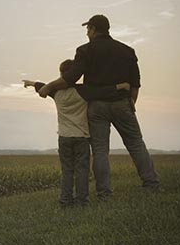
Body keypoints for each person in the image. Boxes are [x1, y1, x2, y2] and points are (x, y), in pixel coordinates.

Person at [38, 14, 161, 199]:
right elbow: (135, 83)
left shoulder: (85, 50)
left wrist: (48, 86)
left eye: (88, 29)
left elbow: (71, 78)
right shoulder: (127, 51)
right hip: (122, 103)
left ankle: (104, 193)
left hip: (97, 107)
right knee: (136, 143)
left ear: (94, 29)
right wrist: (131, 103)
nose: (87, 33)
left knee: (100, 150)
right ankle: (151, 184)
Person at [23, 59, 130, 206]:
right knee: (82, 171)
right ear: (76, 75)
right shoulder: (83, 91)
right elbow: (103, 91)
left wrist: (30, 83)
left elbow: (42, 86)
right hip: (82, 137)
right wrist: (121, 86)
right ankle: (81, 201)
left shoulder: (55, 92)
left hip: (64, 137)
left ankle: (65, 201)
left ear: (61, 74)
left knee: (67, 171)